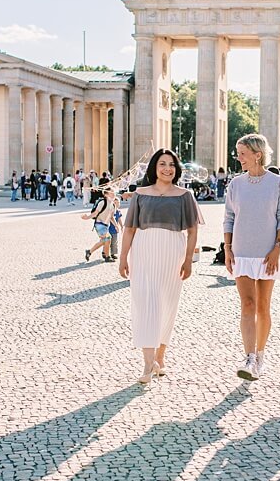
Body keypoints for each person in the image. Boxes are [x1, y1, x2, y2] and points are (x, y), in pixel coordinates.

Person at [118, 149, 202, 384]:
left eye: (172, 165)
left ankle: (160, 357)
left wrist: (188, 259)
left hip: (172, 252)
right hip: (144, 251)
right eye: (163, 164)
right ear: (154, 167)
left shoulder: (185, 195)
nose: (167, 169)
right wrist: (123, 257)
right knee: (145, 303)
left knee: (167, 304)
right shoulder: (140, 194)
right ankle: (147, 363)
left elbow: (193, 230)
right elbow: (129, 229)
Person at [223, 133, 280, 382]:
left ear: (257, 154)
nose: (238, 157)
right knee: (247, 304)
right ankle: (249, 357)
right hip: (241, 252)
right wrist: (228, 249)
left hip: (267, 253)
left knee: (262, 306)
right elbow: (229, 217)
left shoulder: (277, 183)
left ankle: (260, 354)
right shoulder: (236, 184)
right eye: (238, 153)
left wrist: (278, 247)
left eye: (242, 153)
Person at [82, 188, 115, 263]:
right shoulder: (102, 202)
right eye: (111, 192)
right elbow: (95, 213)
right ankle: (107, 256)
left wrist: (116, 225)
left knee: (105, 241)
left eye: (114, 192)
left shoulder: (112, 204)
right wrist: (87, 217)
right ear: (105, 194)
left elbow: (111, 217)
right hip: (99, 224)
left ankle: (89, 252)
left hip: (106, 225)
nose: (113, 194)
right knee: (108, 238)